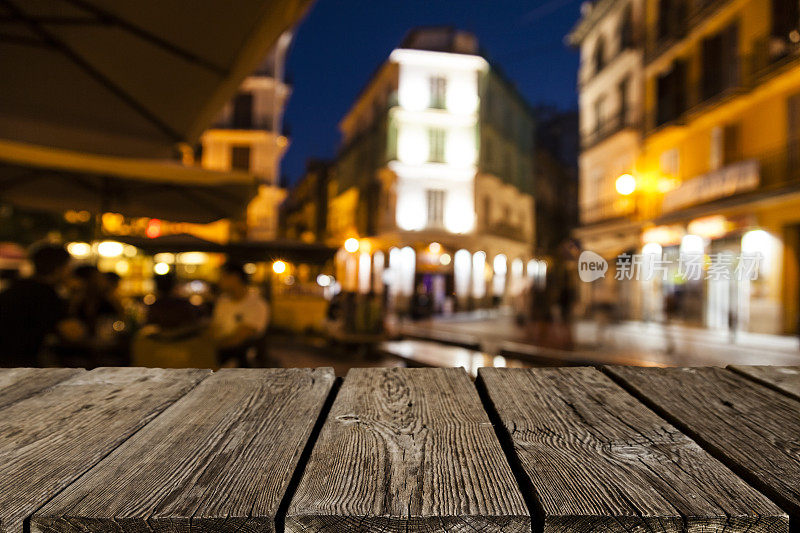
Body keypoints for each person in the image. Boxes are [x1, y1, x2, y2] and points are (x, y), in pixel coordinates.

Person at [0, 244, 84, 367]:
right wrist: (76, 296)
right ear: (59, 268)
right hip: (23, 362)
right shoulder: (46, 294)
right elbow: (73, 334)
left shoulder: (16, 287)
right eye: (68, 266)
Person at [212, 262, 269, 367]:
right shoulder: (222, 302)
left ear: (235, 278)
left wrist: (209, 348)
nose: (219, 281)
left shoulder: (257, 305)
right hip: (220, 363)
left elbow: (239, 338)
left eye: (223, 276)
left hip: (243, 366)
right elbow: (215, 329)